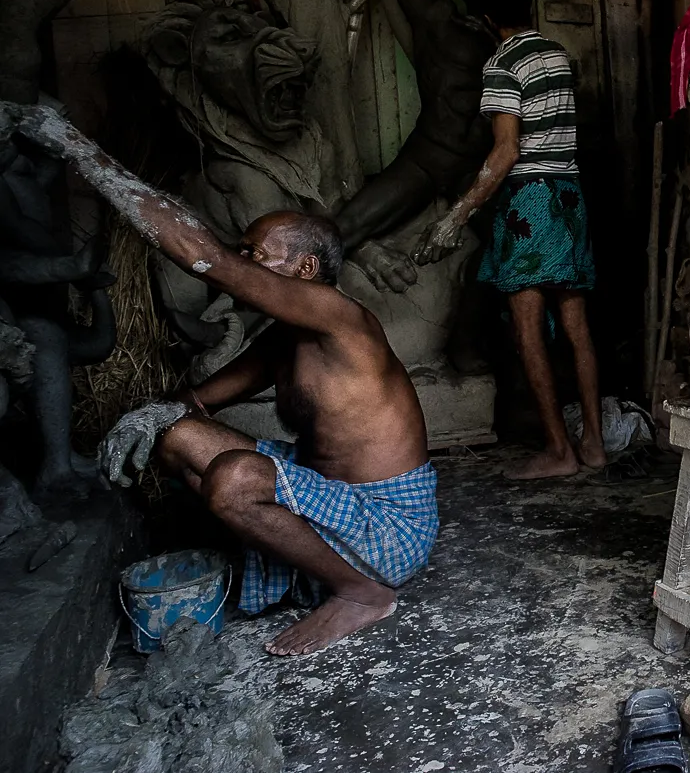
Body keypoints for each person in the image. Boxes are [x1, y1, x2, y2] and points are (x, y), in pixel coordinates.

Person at [3, 102, 435, 657]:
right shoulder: (284, 338)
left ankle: (360, 592)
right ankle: (292, 557)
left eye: (256, 255)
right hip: (326, 497)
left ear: (305, 270)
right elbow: (194, 404)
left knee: (234, 479)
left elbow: (201, 255)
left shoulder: (341, 319)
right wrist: (154, 413)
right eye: (243, 252)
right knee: (176, 435)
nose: (242, 262)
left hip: (386, 524)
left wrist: (74, 146)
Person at [415, 0, 605, 479]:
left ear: (482, 16)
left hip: (529, 201)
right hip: (570, 197)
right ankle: (592, 443)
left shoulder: (501, 64)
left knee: (526, 326)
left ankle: (558, 451)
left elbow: (505, 153)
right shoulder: (557, 53)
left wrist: (455, 215)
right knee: (576, 324)